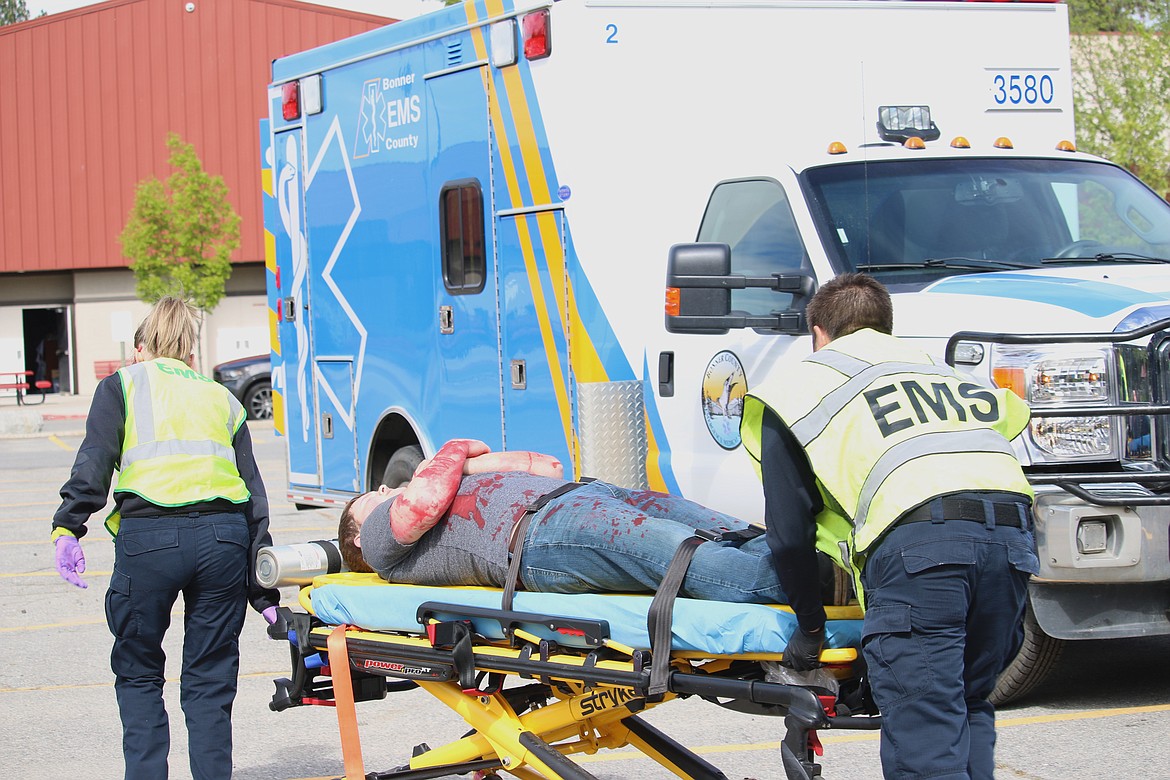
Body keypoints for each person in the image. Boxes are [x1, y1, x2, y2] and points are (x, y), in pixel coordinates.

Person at [739, 273, 1040, 780]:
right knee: (967, 705)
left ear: (819, 333)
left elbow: (789, 535)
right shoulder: (941, 373)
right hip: (1012, 542)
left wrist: (811, 628)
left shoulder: (797, 388)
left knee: (925, 724)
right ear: (884, 327)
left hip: (925, 550)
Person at [51, 296, 280, 780]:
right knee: (210, 678)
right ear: (189, 350)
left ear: (141, 347)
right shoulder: (223, 398)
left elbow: (94, 461)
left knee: (138, 672)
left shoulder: (122, 385)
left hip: (149, 541)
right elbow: (253, 496)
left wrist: (69, 526)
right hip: (224, 541)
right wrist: (262, 588)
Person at [338, 439, 792, 604]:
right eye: (368, 499)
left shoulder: (435, 479)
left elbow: (546, 467)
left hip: (578, 495)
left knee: (729, 529)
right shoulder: (378, 546)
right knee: (683, 553)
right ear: (357, 539)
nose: (381, 491)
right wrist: (452, 452)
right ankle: (819, 584)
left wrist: (462, 466)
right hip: (542, 537)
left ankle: (820, 563)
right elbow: (420, 506)